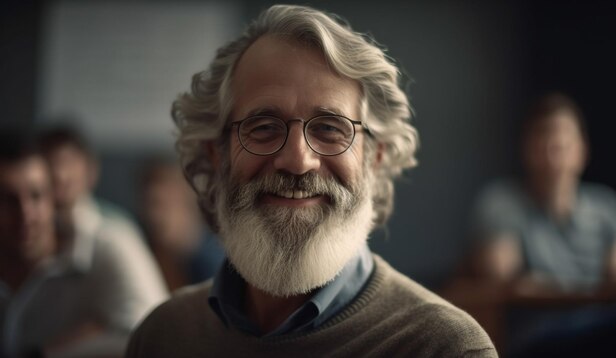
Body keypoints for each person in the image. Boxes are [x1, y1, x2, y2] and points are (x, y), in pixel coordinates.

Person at [126, 5, 496, 357]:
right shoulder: (163, 336)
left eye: (330, 129)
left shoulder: (443, 347)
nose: (298, 161)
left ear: (375, 157)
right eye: (264, 127)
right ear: (216, 154)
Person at [470, 92, 616, 354]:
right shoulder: (502, 202)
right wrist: (589, 293)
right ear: (526, 148)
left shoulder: (605, 206)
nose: (554, 146)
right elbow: (501, 278)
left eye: (563, 138)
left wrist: (541, 284)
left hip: (601, 330)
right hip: (539, 339)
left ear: (582, 150)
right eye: (543, 136)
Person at [0, 128, 167, 357]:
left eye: (36, 195)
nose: (26, 213)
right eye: (8, 200)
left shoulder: (109, 243)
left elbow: (156, 337)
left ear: (53, 197)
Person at [137, 157, 224, 291]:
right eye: (148, 205)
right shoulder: (145, 254)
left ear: (185, 200)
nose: (153, 216)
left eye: (160, 204)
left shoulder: (213, 266)